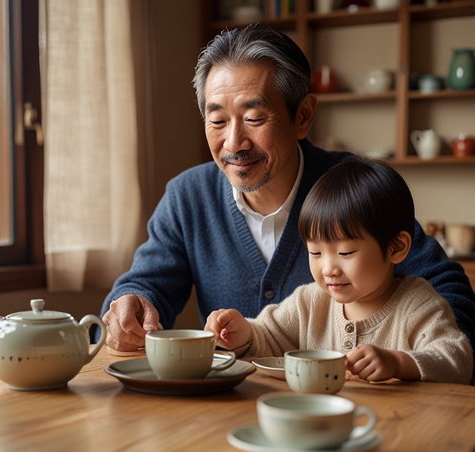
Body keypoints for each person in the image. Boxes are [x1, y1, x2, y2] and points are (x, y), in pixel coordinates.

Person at [100, 25, 475, 373]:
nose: (233, 144)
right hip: (227, 412)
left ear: (304, 116)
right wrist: (131, 307)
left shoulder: (351, 190)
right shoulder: (188, 197)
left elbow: (448, 292)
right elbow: (144, 287)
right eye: (217, 121)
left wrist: (412, 360)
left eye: (255, 118)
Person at [205, 158, 473, 384]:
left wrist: (399, 363)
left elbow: (456, 358)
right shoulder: (309, 302)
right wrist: (243, 334)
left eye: (345, 253)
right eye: (316, 253)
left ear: (396, 247)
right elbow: (268, 336)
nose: (329, 268)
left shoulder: (418, 305)